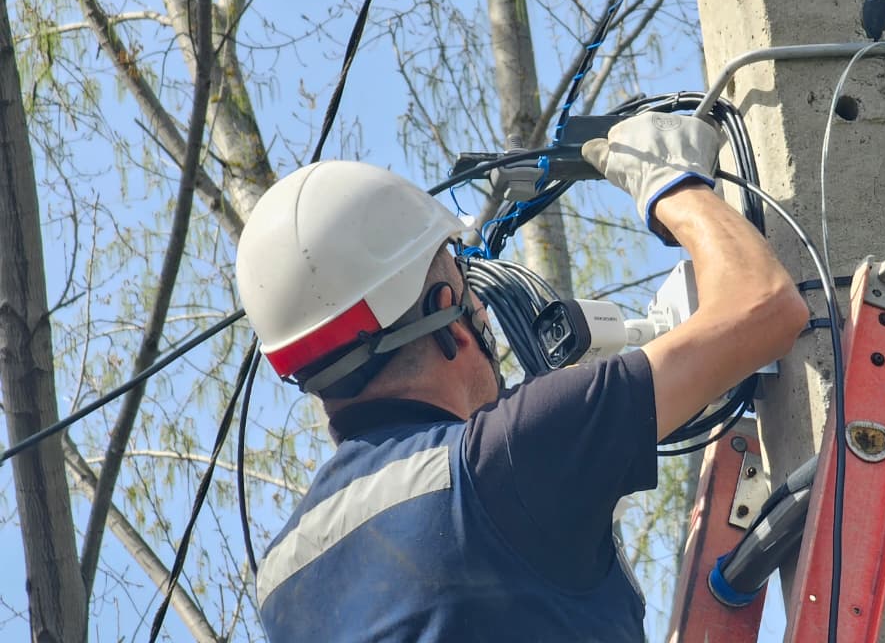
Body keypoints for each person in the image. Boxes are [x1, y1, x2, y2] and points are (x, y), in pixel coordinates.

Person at [235, 112, 808, 642]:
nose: (484, 310)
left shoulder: (283, 581)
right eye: (469, 288)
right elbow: (764, 307)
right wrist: (672, 186)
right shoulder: (503, 458)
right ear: (447, 313)